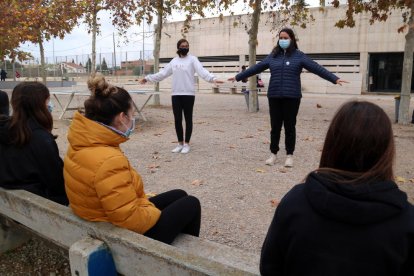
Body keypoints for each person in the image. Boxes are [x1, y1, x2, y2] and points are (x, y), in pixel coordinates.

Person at [260, 101, 414, 276]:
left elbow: (270, 266)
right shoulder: (407, 222)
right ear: (386, 150)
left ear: (332, 144)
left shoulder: (295, 202)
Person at [64, 74, 201, 245]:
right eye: (132, 114)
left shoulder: (83, 142)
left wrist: (146, 205)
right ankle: (177, 259)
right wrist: (152, 209)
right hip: (121, 237)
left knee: (179, 195)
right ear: (122, 118)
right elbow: (130, 220)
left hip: (100, 217)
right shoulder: (109, 160)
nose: (132, 119)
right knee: (191, 204)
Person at [229, 28, 348, 167]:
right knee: (275, 126)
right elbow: (256, 68)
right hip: (274, 96)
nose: (283, 40)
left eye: (285, 38)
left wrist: (334, 79)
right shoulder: (273, 56)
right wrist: (238, 77)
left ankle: (289, 155)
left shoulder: (299, 56)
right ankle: (273, 153)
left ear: (291, 39)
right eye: (281, 38)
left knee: (290, 127)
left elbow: (317, 68)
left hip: (292, 97)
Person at [140, 38, 224, 154]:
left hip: (188, 94)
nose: (185, 47)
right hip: (176, 94)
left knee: (188, 119)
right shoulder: (173, 61)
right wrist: (147, 78)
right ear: (178, 47)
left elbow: (202, 71)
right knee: (177, 119)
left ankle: (187, 144)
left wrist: (213, 79)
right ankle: (179, 143)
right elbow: (162, 74)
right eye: (183, 46)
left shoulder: (192, 59)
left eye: (186, 46)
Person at [0, 82, 68, 205]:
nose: (49, 105)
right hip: (37, 208)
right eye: (48, 101)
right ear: (39, 105)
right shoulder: (41, 139)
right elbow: (57, 185)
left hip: (9, 208)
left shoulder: (4, 129)